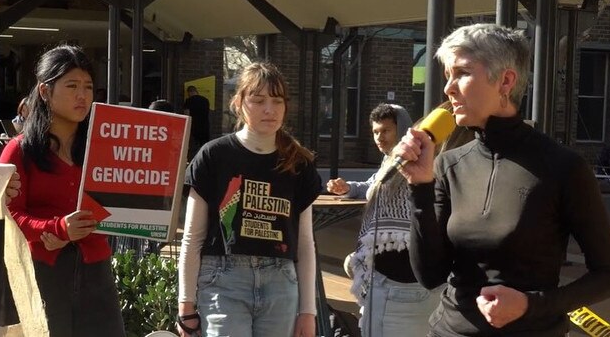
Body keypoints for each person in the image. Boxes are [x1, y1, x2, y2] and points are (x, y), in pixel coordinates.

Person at [393, 24, 610, 336]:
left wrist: (531, 304)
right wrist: (420, 186)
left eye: (462, 73)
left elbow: (609, 275)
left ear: (505, 81)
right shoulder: (448, 164)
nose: (448, 88)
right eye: (447, 75)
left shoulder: (562, 167)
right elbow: (430, 275)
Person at [177, 62, 322, 337]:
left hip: (281, 282)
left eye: (277, 101)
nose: (270, 109)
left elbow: (305, 244)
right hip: (223, 281)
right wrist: (186, 304)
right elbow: (192, 238)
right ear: (239, 102)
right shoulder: (213, 156)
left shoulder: (299, 163)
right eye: (258, 100)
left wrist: (308, 311)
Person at [0, 44, 125, 337]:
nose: (82, 96)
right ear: (44, 91)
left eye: (88, 87)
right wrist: (55, 229)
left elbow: (123, 204)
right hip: (42, 274)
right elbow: (8, 216)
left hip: (97, 272)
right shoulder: (20, 151)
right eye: (71, 86)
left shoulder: (104, 149)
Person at [326, 103, 435, 337]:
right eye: (375, 132)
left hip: (404, 276)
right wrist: (348, 187)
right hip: (386, 277)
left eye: (385, 131)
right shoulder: (389, 161)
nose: (379, 137)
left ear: (402, 128)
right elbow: (373, 184)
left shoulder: (412, 159)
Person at [183, 85, 211, 157]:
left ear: (189, 92)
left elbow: (187, 115)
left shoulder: (188, 101)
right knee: (204, 146)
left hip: (194, 126)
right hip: (205, 126)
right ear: (196, 91)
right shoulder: (205, 100)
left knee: (193, 148)